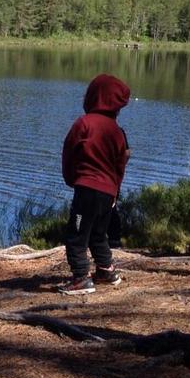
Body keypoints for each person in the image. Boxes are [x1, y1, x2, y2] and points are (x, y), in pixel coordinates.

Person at [59, 74, 131, 295]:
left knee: (77, 234)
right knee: (98, 234)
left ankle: (81, 278)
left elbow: (69, 153)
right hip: (108, 193)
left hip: (87, 191)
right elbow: (121, 165)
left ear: (93, 97)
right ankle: (107, 270)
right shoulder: (118, 132)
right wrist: (115, 194)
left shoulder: (84, 124)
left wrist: (72, 179)